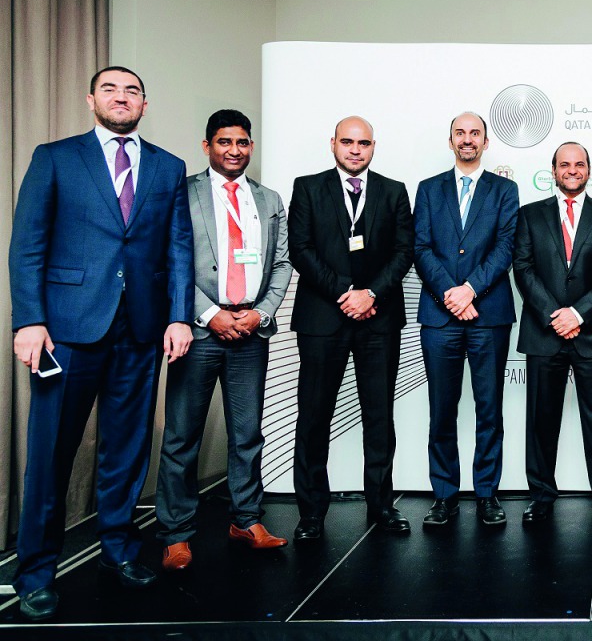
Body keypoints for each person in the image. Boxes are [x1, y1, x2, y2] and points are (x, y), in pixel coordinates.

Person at [9, 66, 193, 620]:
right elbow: (27, 245)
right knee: (51, 454)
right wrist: (29, 320)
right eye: (110, 89)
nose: (122, 97)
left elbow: (178, 249)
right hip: (66, 330)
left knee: (127, 448)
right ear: (92, 99)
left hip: (139, 330)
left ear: (144, 102)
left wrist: (179, 318)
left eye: (132, 90)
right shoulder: (55, 157)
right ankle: (36, 571)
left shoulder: (168, 166)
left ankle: (117, 551)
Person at [155, 110, 293, 571]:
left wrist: (260, 313)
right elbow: (171, 261)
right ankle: (176, 533)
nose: (233, 150)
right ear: (206, 145)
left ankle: (247, 519)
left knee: (247, 433)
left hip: (251, 333)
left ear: (250, 146)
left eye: (241, 142)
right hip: (198, 333)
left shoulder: (268, 198)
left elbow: (281, 264)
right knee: (182, 436)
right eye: (223, 142)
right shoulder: (184, 193)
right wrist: (211, 315)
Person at [288, 116, 415, 540]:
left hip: (378, 320)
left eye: (363, 143)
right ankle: (310, 514)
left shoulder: (394, 191)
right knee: (314, 417)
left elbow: (403, 252)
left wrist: (370, 295)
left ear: (373, 146)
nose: (355, 149)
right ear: (333, 144)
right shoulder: (307, 187)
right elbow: (300, 250)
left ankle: (381, 505)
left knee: (379, 416)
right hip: (323, 318)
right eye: (347, 141)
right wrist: (346, 292)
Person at [513, 142, 592, 523]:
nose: (572, 170)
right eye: (564, 164)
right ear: (553, 170)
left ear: (588, 169)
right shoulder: (529, 215)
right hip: (544, 331)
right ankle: (541, 495)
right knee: (541, 419)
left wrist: (578, 313)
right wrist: (554, 314)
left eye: (579, 164)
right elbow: (523, 268)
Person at [414, 112, 519, 526]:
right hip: (440, 317)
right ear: (451, 140)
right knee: (442, 409)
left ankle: (487, 493)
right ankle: (444, 494)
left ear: (486, 141)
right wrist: (450, 294)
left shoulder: (504, 189)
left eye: (475, 133)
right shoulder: (428, 189)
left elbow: (506, 246)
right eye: (461, 132)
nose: (468, 139)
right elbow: (420, 247)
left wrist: (470, 289)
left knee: (489, 408)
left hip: (488, 315)